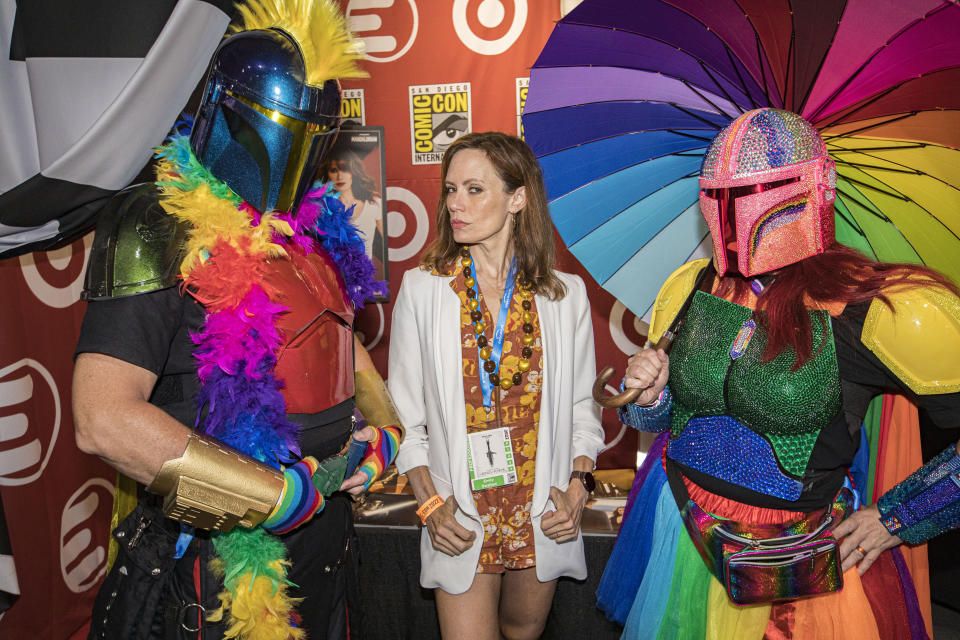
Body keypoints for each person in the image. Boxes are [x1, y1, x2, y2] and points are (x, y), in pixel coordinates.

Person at [71, 2, 400, 638]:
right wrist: (271, 497)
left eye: (315, 133)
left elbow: (342, 353)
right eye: (288, 127)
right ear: (231, 115)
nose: (300, 152)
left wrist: (384, 435)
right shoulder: (158, 224)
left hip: (329, 539)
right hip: (222, 562)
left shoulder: (317, 230)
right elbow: (102, 418)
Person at [596, 108, 960, 639]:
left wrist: (901, 515)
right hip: (682, 527)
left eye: (752, 193)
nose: (733, 215)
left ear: (813, 189)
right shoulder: (693, 284)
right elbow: (673, 417)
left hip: (794, 564)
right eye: (719, 195)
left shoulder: (879, 308)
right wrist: (649, 394)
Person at [388, 132, 605, 640]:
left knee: (522, 633)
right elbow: (402, 419)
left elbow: (582, 409)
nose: (455, 205)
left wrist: (578, 489)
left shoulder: (564, 295)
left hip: (539, 515)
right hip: (460, 516)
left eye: (474, 190)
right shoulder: (423, 290)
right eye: (449, 190)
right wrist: (429, 507)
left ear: (518, 198)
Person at [320, 143, 384, 266]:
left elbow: (386, 245)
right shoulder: (323, 208)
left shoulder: (373, 203)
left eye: (345, 169)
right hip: (333, 278)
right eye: (334, 170)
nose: (339, 176)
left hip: (363, 279)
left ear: (353, 172)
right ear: (327, 174)